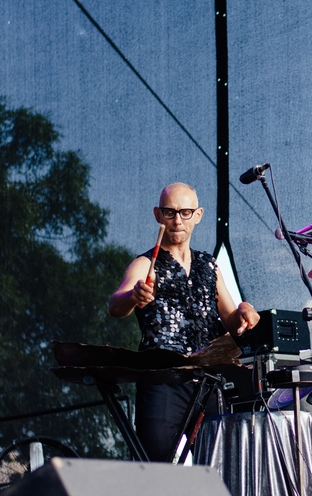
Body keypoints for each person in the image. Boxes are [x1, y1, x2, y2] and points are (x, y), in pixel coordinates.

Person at [109, 182, 259, 461]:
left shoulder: (209, 266)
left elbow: (230, 319)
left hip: (207, 382)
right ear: (158, 214)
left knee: (217, 467)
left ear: (198, 215)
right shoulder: (145, 264)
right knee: (156, 470)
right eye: (170, 212)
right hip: (162, 381)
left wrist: (244, 311)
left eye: (185, 212)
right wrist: (133, 295)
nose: (177, 220)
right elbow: (115, 306)